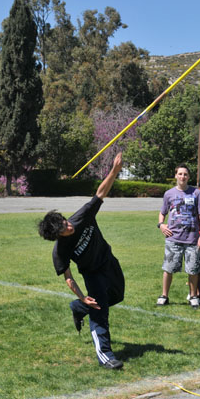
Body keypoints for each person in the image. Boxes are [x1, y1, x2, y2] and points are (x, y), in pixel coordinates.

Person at [38, 153, 125, 370]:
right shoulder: (60, 251)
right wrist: (82, 296)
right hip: (92, 273)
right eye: (63, 228)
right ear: (57, 235)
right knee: (99, 311)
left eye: (65, 221)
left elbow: (100, 194)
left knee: (118, 295)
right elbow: (68, 278)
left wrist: (114, 171)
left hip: (108, 260)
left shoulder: (81, 217)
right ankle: (106, 356)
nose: (69, 226)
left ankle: (77, 308)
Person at [156, 164, 200, 309]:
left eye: (185, 174)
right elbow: (163, 212)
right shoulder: (169, 194)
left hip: (192, 239)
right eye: (180, 174)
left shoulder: (196, 193)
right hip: (173, 238)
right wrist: (161, 225)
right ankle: (164, 296)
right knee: (168, 268)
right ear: (176, 176)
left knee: (193, 270)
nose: (182, 177)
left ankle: (193, 296)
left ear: (188, 177)